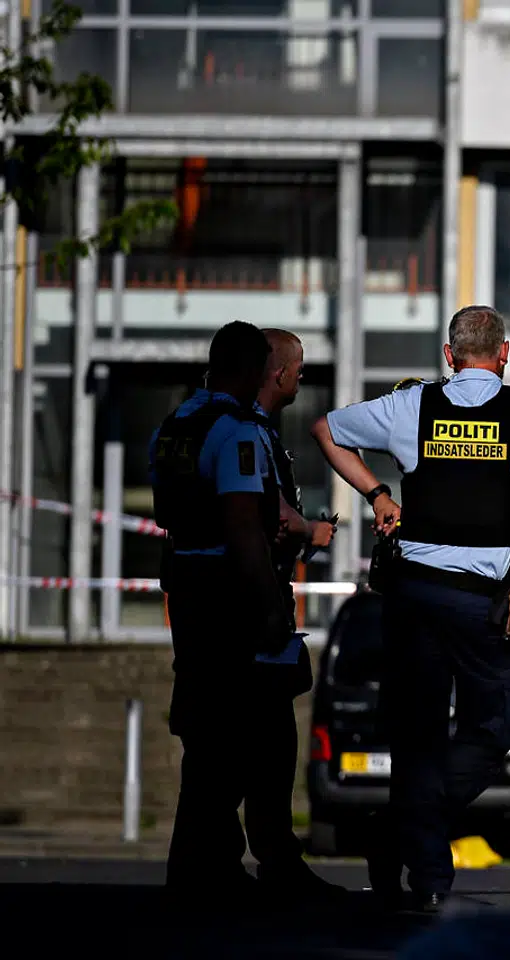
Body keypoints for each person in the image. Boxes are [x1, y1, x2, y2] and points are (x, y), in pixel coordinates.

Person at [310, 289, 510, 911]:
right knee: (502, 726)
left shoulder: (411, 406)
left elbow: (326, 429)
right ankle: (421, 865)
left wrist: (378, 495)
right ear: (504, 354)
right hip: (483, 607)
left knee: (418, 740)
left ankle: (407, 845)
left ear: (449, 355)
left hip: (414, 598)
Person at [150, 321, 292, 901]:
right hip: (224, 592)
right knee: (228, 736)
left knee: (204, 730)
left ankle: (199, 866)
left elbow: (166, 510)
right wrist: (269, 607)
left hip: (186, 583)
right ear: (253, 370)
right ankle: (208, 870)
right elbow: (242, 527)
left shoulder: (176, 424)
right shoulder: (236, 431)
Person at [244, 328, 345, 902]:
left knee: (250, 743)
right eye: (299, 370)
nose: (302, 380)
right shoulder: (247, 432)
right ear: (277, 373)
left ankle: (229, 862)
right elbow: (269, 518)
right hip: (250, 611)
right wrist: (313, 531)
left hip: (235, 606)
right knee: (268, 744)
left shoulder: (219, 426)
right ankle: (274, 863)